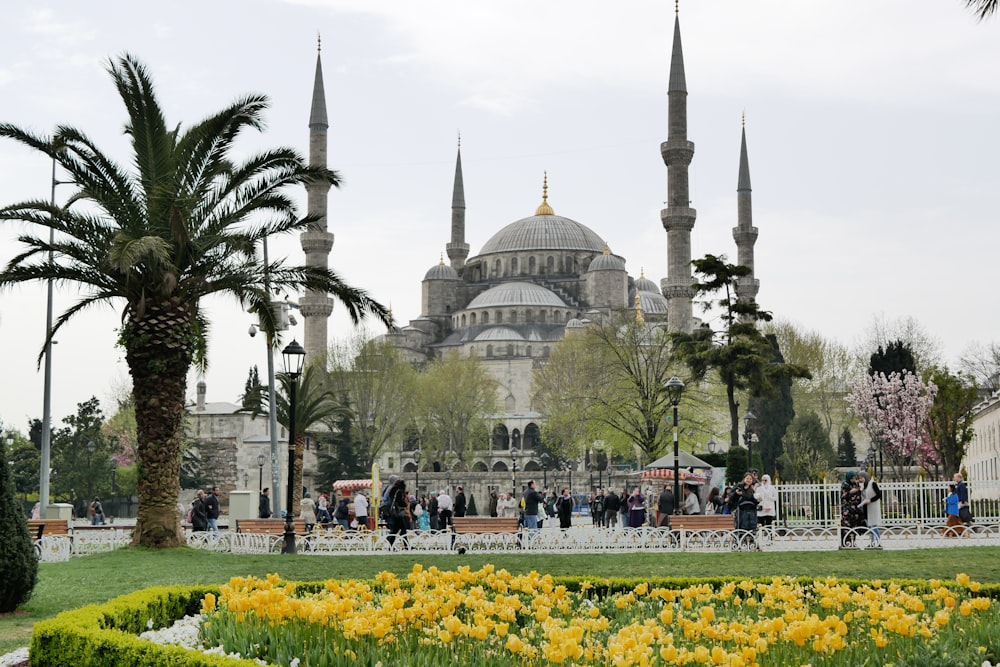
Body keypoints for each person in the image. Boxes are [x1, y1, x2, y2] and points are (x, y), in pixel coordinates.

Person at [729, 472, 759, 544]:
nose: (748, 480)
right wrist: (736, 494)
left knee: (751, 526)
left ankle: (751, 541)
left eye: (750, 479)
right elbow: (731, 497)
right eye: (747, 478)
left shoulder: (751, 490)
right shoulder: (739, 486)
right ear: (744, 479)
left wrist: (757, 501)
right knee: (740, 526)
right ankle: (738, 541)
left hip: (750, 511)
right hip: (740, 510)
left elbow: (752, 500)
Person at [839, 471, 865, 549]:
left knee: (855, 526)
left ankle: (853, 543)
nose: (854, 480)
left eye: (854, 478)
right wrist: (856, 490)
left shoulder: (856, 484)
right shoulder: (845, 484)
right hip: (847, 509)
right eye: (852, 478)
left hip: (855, 510)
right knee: (846, 526)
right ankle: (846, 543)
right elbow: (847, 493)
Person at [857, 471, 882, 549]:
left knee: (873, 525)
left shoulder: (872, 484)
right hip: (867, 508)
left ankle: (878, 542)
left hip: (873, 507)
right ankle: (873, 542)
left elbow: (879, 494)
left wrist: (871, 500)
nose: (860, 480)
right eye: (859, 478)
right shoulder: (864, 485)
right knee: (870, 526)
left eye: (861, 478)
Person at [386, 479, 410, 549]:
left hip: (395, 513)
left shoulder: (393, 491)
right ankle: (390, 544)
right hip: (398, 513)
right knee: (396, 530)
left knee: (403, 530)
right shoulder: (399, 492)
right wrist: (405, 504)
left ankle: (406, 545)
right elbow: (400, 502)